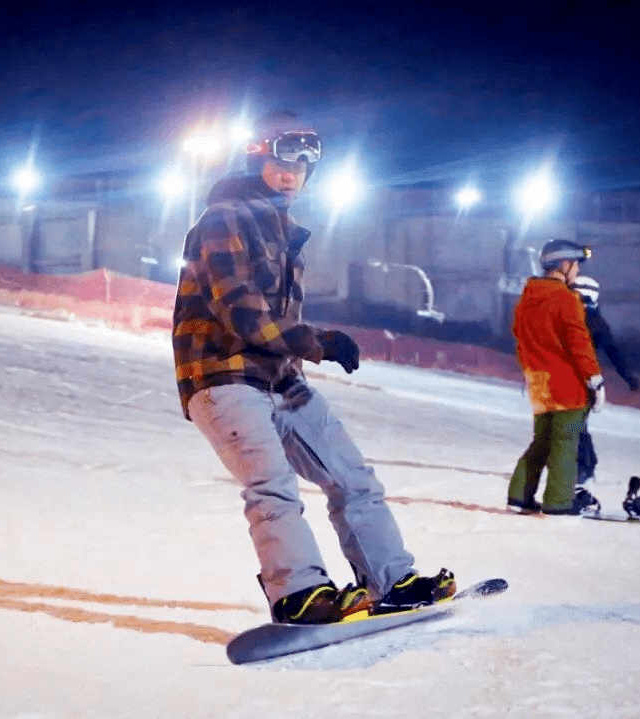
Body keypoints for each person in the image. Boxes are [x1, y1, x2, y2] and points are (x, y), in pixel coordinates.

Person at [171, 111, 455, 625]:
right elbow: (240, 311)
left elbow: (274, 323)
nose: (291, 173)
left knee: (352, 476)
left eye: (302, 166)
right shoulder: (223, 219)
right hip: (222, 375)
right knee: (272, 485)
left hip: (279, 377)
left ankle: (390, 579)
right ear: (259, 158)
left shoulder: (284, 230)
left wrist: (302, 348)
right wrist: (316, 341)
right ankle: (299, 593)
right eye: (281, 161)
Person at [507, 239, 605, 515]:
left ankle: (519, 495)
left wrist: (531, 371)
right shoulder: (566, 298)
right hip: (566, 384)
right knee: (565, 441)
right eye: (576, 266)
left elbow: (519, 336)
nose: (576, 273)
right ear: (564, 265)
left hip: (537, 382)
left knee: (542, 440)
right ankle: (559, 501)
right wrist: (594, 379)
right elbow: (579, 343)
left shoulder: (527, 298)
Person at [568, 275, 640, 510]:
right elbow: (613, 351)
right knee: (575, 428)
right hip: (582, 382)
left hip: (564, 382)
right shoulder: (595, 321)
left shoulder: (566, 315)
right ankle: (579, 475)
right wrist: (628, 377)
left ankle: (581, 472)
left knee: (570, 428)